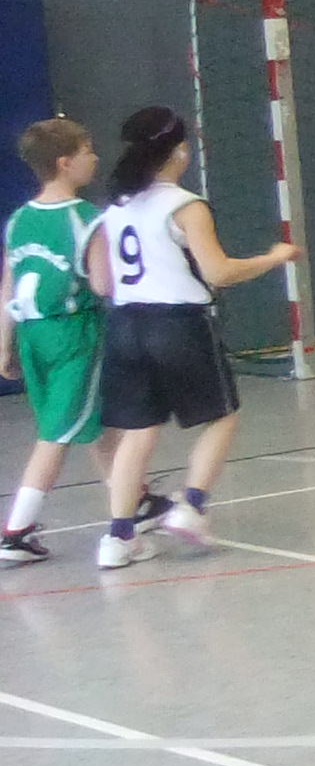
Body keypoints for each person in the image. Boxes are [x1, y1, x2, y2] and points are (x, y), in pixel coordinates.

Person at [88, 106, 295, 570]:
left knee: (137, 434)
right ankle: (192, 506)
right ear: (179, 150)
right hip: (176, 323)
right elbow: (219, 271)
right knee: (221, 416)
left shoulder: (115, 207)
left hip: (125, 325)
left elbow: (103, 282)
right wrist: (274, 257)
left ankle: (118, 537)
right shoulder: (185, 205)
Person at [0, 118, 106, 566]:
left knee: (94, 417)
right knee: (57, 433)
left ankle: (135, 497)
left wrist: (3, 343)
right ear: (65, 163)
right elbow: (102, 285)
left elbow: (8, 285)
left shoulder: (19, 220)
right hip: (73, 333)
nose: (95, 158)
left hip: (32, 335)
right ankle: (16, 530)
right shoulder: (86, 219)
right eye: (88, 150)